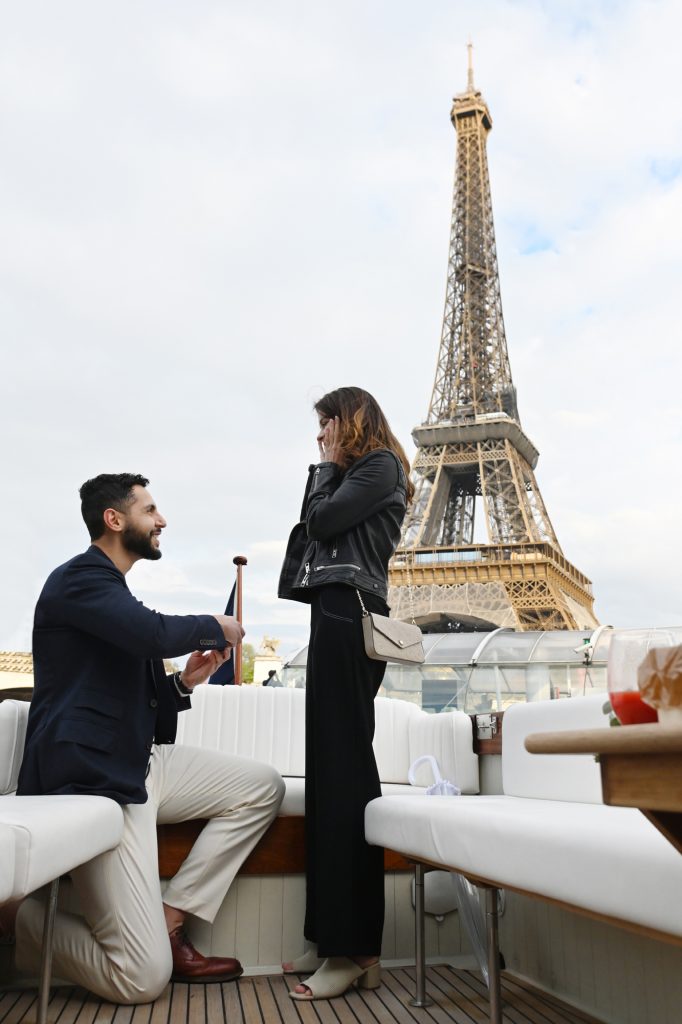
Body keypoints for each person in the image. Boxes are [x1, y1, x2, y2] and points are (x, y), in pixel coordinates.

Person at [13, 473, 285, 1004]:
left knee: (263, 787)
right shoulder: (79, 581)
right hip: (96, 782)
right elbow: (152, 633)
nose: (162, 521)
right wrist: (215, 625)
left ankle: (168, 919)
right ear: (114, 520)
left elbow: (135, 697)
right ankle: (23, 919)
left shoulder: (111, 594)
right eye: (150, 510)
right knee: (142, 979)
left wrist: (185, 682)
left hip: (137, 761)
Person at [278, 387, 412, 1000]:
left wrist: (327, 470)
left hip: (348, 613)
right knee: (330, 772)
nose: (320, 437)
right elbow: (314, 535)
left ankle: (354, 945)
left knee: (344, 772)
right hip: (334, 611)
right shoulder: (363, 471)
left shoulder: (379, 465)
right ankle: (333, 936)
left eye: (326, 424)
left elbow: (323, 523)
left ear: (350, 420)